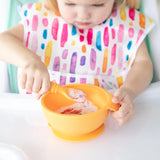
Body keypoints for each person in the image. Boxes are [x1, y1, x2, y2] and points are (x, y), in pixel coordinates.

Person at [0, 0, 154, 126]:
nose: (83, 15)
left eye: (97, 4)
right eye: (70, 4)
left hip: (108, 126)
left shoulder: (126, 24)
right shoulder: (41, 18)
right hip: (37, 124)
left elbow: (143, 64)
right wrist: (29, 61)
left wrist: (130, 91)